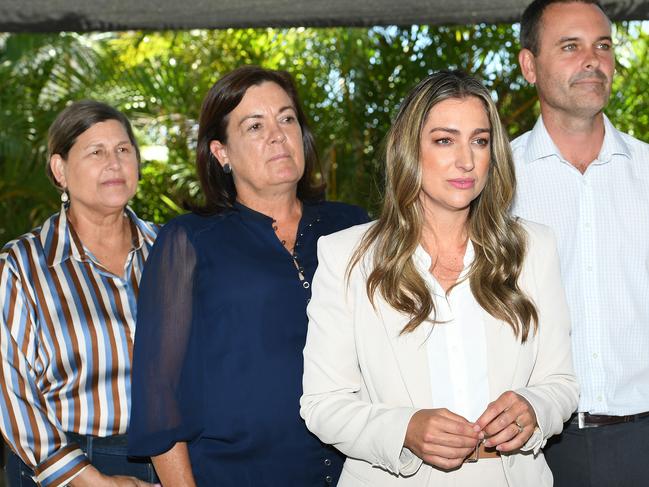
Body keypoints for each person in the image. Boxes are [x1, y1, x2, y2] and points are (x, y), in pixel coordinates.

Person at [300, 70, 578, 486]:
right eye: (444, 140)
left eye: (480, 141)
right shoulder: (347, 256)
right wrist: (405, 429)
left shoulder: (533, 248)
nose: (466, 160)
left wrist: (534, 407)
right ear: (409, 149)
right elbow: (323, 404)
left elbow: (561, 383)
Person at [127, 65, 368, 486]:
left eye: (287, 118)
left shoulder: (352, 227)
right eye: (254, 126)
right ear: (221, 153)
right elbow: (157, 397)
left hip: (358, 471)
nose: (278, 135)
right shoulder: (189, 239)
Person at [511, 1, 649, 485]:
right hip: (534, 446)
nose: (592, 60)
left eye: (602, 46)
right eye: (570, 47)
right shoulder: (494, 181)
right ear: (530, 65)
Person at [0, 100, 160, 487]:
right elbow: (10, 395)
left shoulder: (170, 248)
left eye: (124, 149)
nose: (115, 162)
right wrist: (91, 481)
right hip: (65, 465)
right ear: (60, 170)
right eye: (96, 152)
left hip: (167, 458)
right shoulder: (21, 265)